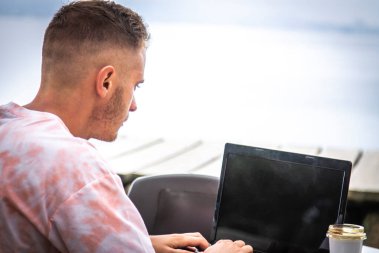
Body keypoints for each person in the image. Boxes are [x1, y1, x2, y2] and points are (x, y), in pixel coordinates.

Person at [0, 1, 253, 253]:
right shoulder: (74, 167)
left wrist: (144, 244)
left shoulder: (8, 131)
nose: (133, 105)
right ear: (106, 81)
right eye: (135, 86)